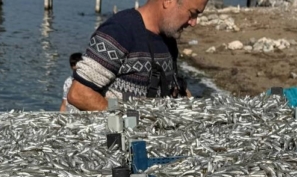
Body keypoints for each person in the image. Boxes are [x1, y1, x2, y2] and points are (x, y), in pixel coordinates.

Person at [67, 0, 208, 111]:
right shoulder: (119, 31)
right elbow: (79, 94)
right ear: (168, 1)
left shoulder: (168, 39)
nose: (194, 22)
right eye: (193, 13)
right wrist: (128, 119)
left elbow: (174, 86)